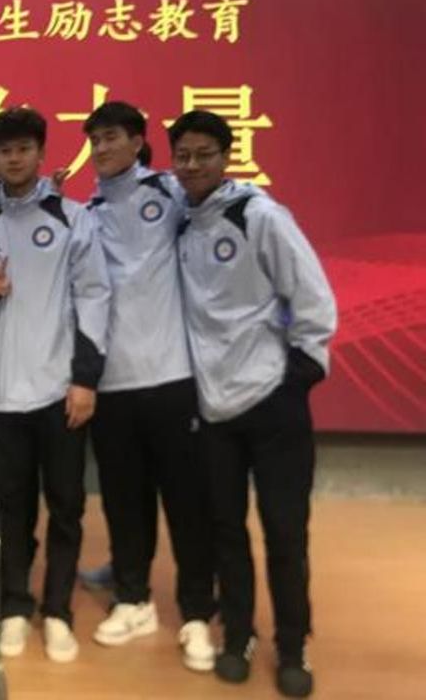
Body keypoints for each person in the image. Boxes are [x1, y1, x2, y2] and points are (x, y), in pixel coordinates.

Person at [170, 110, 337, 698]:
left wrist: (297, 375)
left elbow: (312, 297)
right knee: (226, 530)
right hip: (213, 409)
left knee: (284, 531)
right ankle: (237, 635)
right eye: (183, 155)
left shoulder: (259, 215)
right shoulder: (181, 222)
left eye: (204, 154)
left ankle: (292, 646)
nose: (192, 165)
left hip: (272, 405)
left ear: (226, 157)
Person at [0, 107, 112, 663]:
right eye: (4, 151)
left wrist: (85, 379)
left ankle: (59, 612)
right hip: (2, 395)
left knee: (66, 506)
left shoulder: (72, 217)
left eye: (23, 149)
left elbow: (94, 297)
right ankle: (16, 605)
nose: (14, 159)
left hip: (59, 390)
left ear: (41, 154)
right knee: (11, 509)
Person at [81, 102, 216, 671]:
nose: (101, 148)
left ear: (137, 142)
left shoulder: (171, 192)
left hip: (170, 378)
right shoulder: (86, 213)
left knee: (186, 504)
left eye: (111, 137)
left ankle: (197, 613)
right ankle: (133, 599)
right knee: (123, 501)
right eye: (94, 140)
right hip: (111, 384)